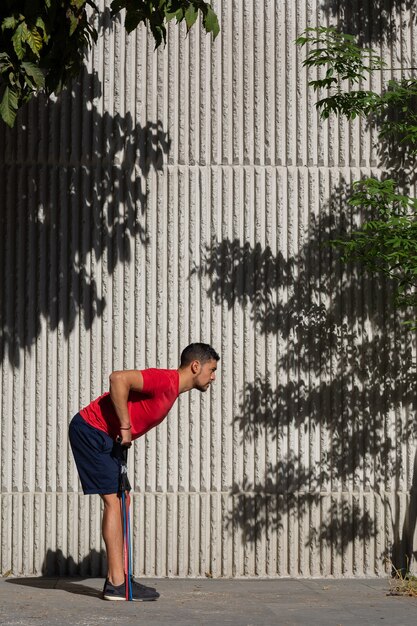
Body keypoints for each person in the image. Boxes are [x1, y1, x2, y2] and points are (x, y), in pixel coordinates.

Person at [68, 343, 220, 601]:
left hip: (105, 437)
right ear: (196, 366)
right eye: (212, 369)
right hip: (91, 431)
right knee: (114, 501)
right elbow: (118, 378)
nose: (214, 377)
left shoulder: (171, 390)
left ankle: (120, 578)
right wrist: (125, 427)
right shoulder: (165, 380)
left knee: (122, 499)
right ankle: (116, 583)